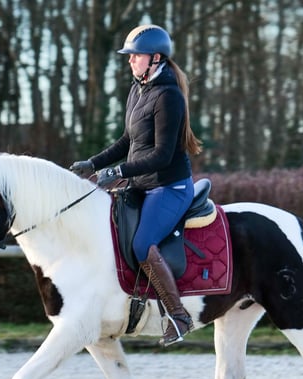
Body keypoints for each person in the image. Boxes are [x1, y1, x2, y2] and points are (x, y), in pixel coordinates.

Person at [70, 24, 203, 347]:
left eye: (135, 56)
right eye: (129, 56)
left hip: (169, 187)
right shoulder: (138, 90)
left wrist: (119, 170)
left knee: (143, 244)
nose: (130, 61)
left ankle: (178, 316)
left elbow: (161, 156)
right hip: (142, 185)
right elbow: (127, 141)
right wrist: (94, 164)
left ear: (155, 58)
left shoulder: (169, 96)